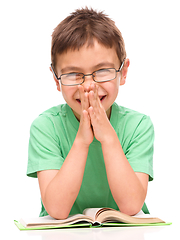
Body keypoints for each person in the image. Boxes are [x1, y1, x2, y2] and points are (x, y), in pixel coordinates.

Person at [27, 8, 154, 220]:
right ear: (56, 80)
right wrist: (81, 141)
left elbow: (131, 205)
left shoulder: (138, 125)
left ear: (123, 73)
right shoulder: (45, 126)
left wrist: (108, 137)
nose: (88, 86)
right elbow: (57, 210)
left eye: (102, 71)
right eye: (73, 74)